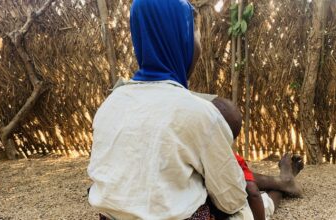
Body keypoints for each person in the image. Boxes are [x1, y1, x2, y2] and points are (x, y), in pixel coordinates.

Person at [88, 0, 250, 219]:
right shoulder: (198, 112)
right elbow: (231, 200)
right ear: (182, 41)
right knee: (244, 210)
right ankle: (276, 195)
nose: (199, 44)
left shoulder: (109, 105)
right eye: (195, 34)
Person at [209, 97, 304, 220]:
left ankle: (284, 181)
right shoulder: (228, 157)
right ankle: (285, 182)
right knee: (264, 204)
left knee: (239, 178)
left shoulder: (199, 147)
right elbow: (253, 193)